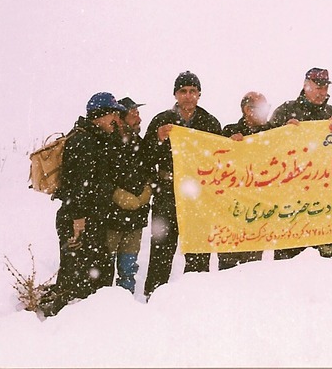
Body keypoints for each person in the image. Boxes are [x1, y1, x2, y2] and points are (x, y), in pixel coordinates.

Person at [41, 92, 126, 316]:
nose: (116, 119)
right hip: (79, 219)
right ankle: (58, 317)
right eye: (113, 114)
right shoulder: (83, 142)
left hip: (90, 217)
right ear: (100, 115)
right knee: (75, 271)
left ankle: (80, 316)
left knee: (90, 270)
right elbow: (77, 185)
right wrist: (78, 221)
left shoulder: (96, 137)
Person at [143, 71, 222, 299]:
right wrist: (157, 139)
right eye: (183, 91)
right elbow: (146, 158)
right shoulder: (161, 120)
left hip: (198, 194)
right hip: (168, 192)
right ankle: (155, 296)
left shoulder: (209, 122)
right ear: (175, 94)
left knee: (198, 247)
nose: (188, 96)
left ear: (199, 94)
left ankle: (195, 297)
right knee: (162, 248)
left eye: (192, 91)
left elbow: (221, 157)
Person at [268, 67, 332, 260]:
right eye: (318, 86)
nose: (322, 92)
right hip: (291, 200)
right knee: (288, 263)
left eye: (325, 87)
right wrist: (283, 132)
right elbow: (266, 148)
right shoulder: (285, 111)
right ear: (305, 85)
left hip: (323, 201)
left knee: (324, 264)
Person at [218, 91, 273, 270]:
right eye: (263, 108)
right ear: (248, 110)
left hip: (258, 211)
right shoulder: (229, 131)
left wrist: (293, 128)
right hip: (232, 211)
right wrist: (229, 145)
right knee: (228, 267)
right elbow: (216, 165)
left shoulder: (273, 132)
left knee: (253, 268)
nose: (267, 112)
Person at [106, 97, 153, 293]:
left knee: (128, 270)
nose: (139, 119)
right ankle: (101, 309)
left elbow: (151, 170)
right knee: (104, 269)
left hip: (135, 220)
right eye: (134, 115)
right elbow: (101, 177)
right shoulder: (108, 143)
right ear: (120, 118)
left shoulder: (140, 144)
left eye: (138, 114)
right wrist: (118, 195)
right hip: (111, 220)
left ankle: (126, 308)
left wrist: (145, 194)